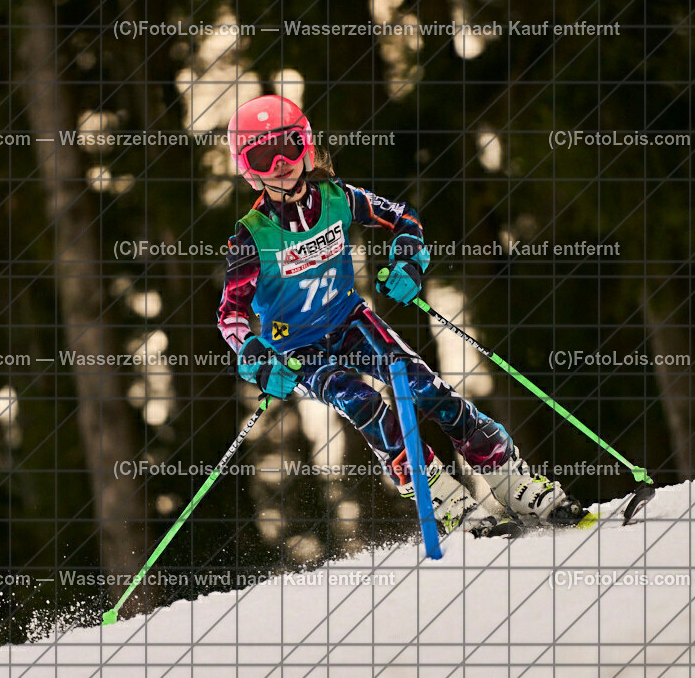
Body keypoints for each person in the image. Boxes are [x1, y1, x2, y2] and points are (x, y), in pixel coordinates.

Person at [218, 94, 582, 537]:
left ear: (307, 146)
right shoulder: (251, 238)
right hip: (298, 349)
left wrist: (408, 261)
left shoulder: (339, 199)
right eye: (261, 153)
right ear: (248, 169)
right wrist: (256, 357)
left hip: (352, 322)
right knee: (365, 404)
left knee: (425, 388)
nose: (279, 162)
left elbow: (404, 220)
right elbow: (231, 317)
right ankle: (445, 500)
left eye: (289, 145)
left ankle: (514, 482)